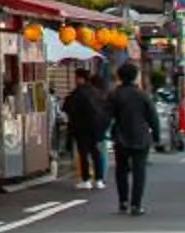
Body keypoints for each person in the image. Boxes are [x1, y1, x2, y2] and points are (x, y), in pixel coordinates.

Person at [107, 60, 161, 216]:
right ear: (135, 76)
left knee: (121, 170)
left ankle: (123, 202)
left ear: (119, 77)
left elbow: (107, 115)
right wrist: (156, 136)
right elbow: (153, 117)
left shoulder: (114, 95)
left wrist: (103, 133)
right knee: (139, 171)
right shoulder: (142, 95)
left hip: (121, 136)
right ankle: (136, 205)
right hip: (141, 136)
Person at [62, 62, 111, 190]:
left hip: (81, 127)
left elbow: (67, 107)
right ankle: (99, 179)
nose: (75, 80)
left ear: (80, 78)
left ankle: (86, 179)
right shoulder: (97, 92)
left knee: (83, 153)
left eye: (76, 78)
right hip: (96, 127)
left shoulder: (78, 92)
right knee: (96, 152)